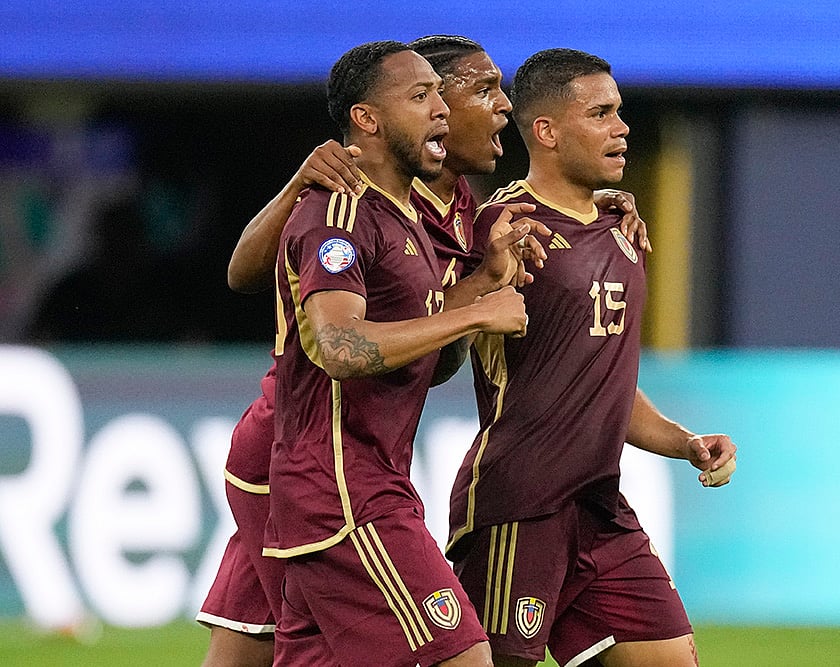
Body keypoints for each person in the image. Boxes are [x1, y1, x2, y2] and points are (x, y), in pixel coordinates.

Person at [197, 35, 647, 667]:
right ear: (389, 114)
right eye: (480, 91)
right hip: (298, 459)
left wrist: (592, 213)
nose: (501, 109)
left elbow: (437, 349)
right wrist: (478, 307)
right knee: (441, 654)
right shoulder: (349, 195)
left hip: (359, 456)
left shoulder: (458, 210)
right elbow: (254, 279)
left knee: (278, 649)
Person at [445, 48, 737, 667]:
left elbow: (606, 386)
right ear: (546, 132)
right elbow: (440, 325)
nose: (621, 128)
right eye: (600, 113)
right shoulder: (507, 226)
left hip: (600, 507)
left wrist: (686, 443)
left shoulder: (621, 232)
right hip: (520, 505)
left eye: (620, 112)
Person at [262, 40, 541, 667]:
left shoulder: (411, 219)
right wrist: (475, 313)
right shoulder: (340, 210)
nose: (441, 110)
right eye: (420, 97)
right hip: (342, 492)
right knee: (463, 657)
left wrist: (481, 282)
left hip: (368, 482)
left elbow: (432, 364)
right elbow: (336, 345)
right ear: (367, 119)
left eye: (440, 95)